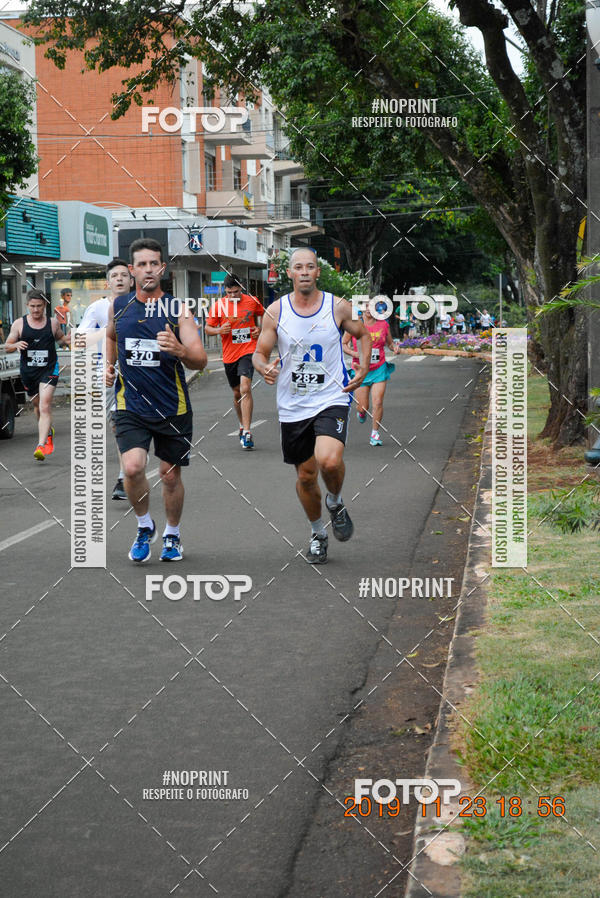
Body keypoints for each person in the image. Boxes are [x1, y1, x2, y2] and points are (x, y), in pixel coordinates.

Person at [253, 247, 370, 564]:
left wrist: (362, 367)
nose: (304, 272)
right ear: (289, 273)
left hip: (331, 398)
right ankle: (318, 532)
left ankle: (335, 500)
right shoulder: (276, 312)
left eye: (310, 267)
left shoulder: (338, 307)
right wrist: (263, 367)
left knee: (328, 462)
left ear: (318, 272)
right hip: (293, 404)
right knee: (305, 476)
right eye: (298, 267)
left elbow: (363, 333)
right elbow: (259, 352)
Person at [105, 237, 207, 563]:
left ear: (162, 268)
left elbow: (201, 359)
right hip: (130, 404)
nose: (148, 269)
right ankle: (144, 526)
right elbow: (111, 336)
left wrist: (180, 350)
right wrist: (110, 365)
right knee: (133, 468)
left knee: (170, 474)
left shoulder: (178, 310)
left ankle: (173, 535)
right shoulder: (119, 306)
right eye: (142, 264)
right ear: (132, 270)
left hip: (171, 407)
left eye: (154, 264)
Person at [77, 258, 133, 500]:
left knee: (135, 423)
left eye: (123, 275)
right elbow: (79, 340)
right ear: (108, 282)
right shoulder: (98, 308)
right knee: (118, 425)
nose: (119, 279)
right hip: (109, 373)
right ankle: (124, 475)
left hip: (140, 374)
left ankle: (131, 465)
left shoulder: (143, 305)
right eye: (114, 276)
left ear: (131, 279)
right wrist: (108, 330)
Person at [5, 289, 70, 459]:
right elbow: (7, 345)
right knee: (37, 406)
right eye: (32, 306)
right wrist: (16, 344)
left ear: (45, 306)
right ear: (27, 305)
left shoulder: (53, 323)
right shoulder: (19, 324)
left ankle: (41, 445)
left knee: (45, 405)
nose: (35, 310)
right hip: (29, 372)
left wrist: (68, 341)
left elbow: (61, 339)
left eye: (39, 306)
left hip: (49, 369)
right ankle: (48, 431)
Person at [205, 274, 265, 450]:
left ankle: (247, 432)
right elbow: (208, 329)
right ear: (225, 291)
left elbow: (263, 316)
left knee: (246, 387)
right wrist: (218, 330)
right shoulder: (218, 306)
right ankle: (241, 424)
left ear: (242, 289)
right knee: (237, 392)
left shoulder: (252, 301)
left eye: (236, 292)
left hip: (248, 350)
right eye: (229, 292)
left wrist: (259, 329)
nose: (232, 296)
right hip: (229, 354)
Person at [343, 303, 400, 446]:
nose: (369, 309)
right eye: (366, 306)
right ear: (361, 309)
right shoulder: (354, 324)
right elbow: (344, 344)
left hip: (379, 368)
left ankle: (375, 433)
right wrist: (355, 353)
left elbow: (390, 344)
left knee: (378, 402)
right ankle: (361, 412)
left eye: (372, 306)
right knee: (363, 407)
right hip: (360, 370)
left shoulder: (383, 325)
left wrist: (395, 348)